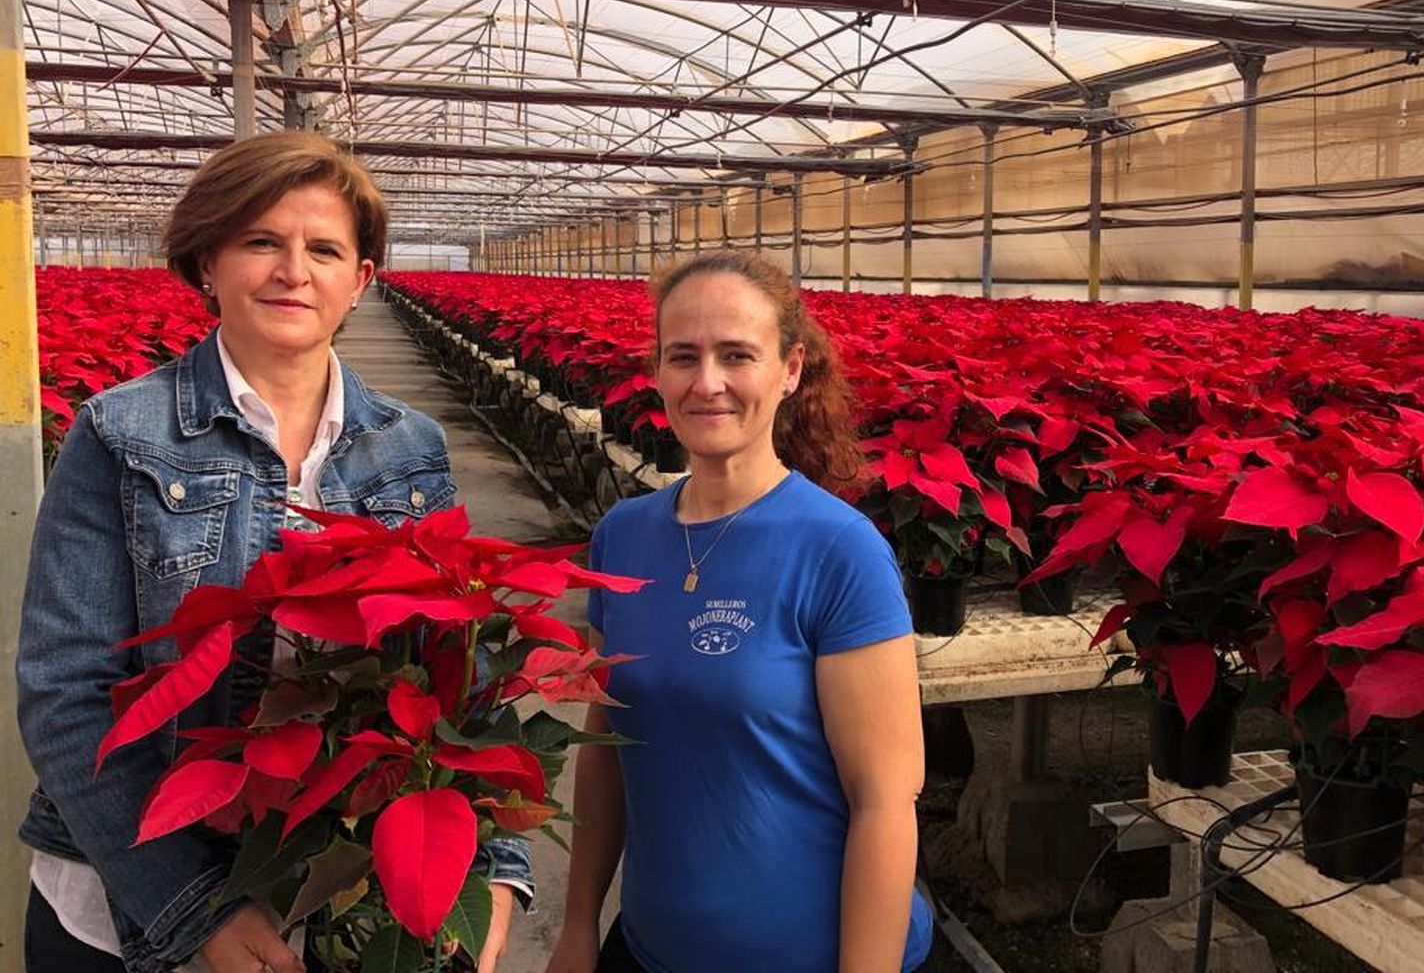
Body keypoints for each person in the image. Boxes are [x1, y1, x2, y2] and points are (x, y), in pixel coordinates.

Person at [16, 132, 530, 973]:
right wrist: (196, 912)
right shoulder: (118, 432)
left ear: (360, 280)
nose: (295, 270)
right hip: (128, 904)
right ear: (208, 261)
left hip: (335, 894)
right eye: (262, 241)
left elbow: (457, 667)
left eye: (324, 249)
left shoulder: (411, 447)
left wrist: (496, 866)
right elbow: (65, 693)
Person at [547, 250, 932, 973]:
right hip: (648, 950)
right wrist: (576, 925)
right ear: (657, 372)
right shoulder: (622, 536)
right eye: (682, 357)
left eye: (736, 355)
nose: (707, 382)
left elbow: (884, 801)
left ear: (790, 370)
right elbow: (604, 744)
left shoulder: (839, 551)